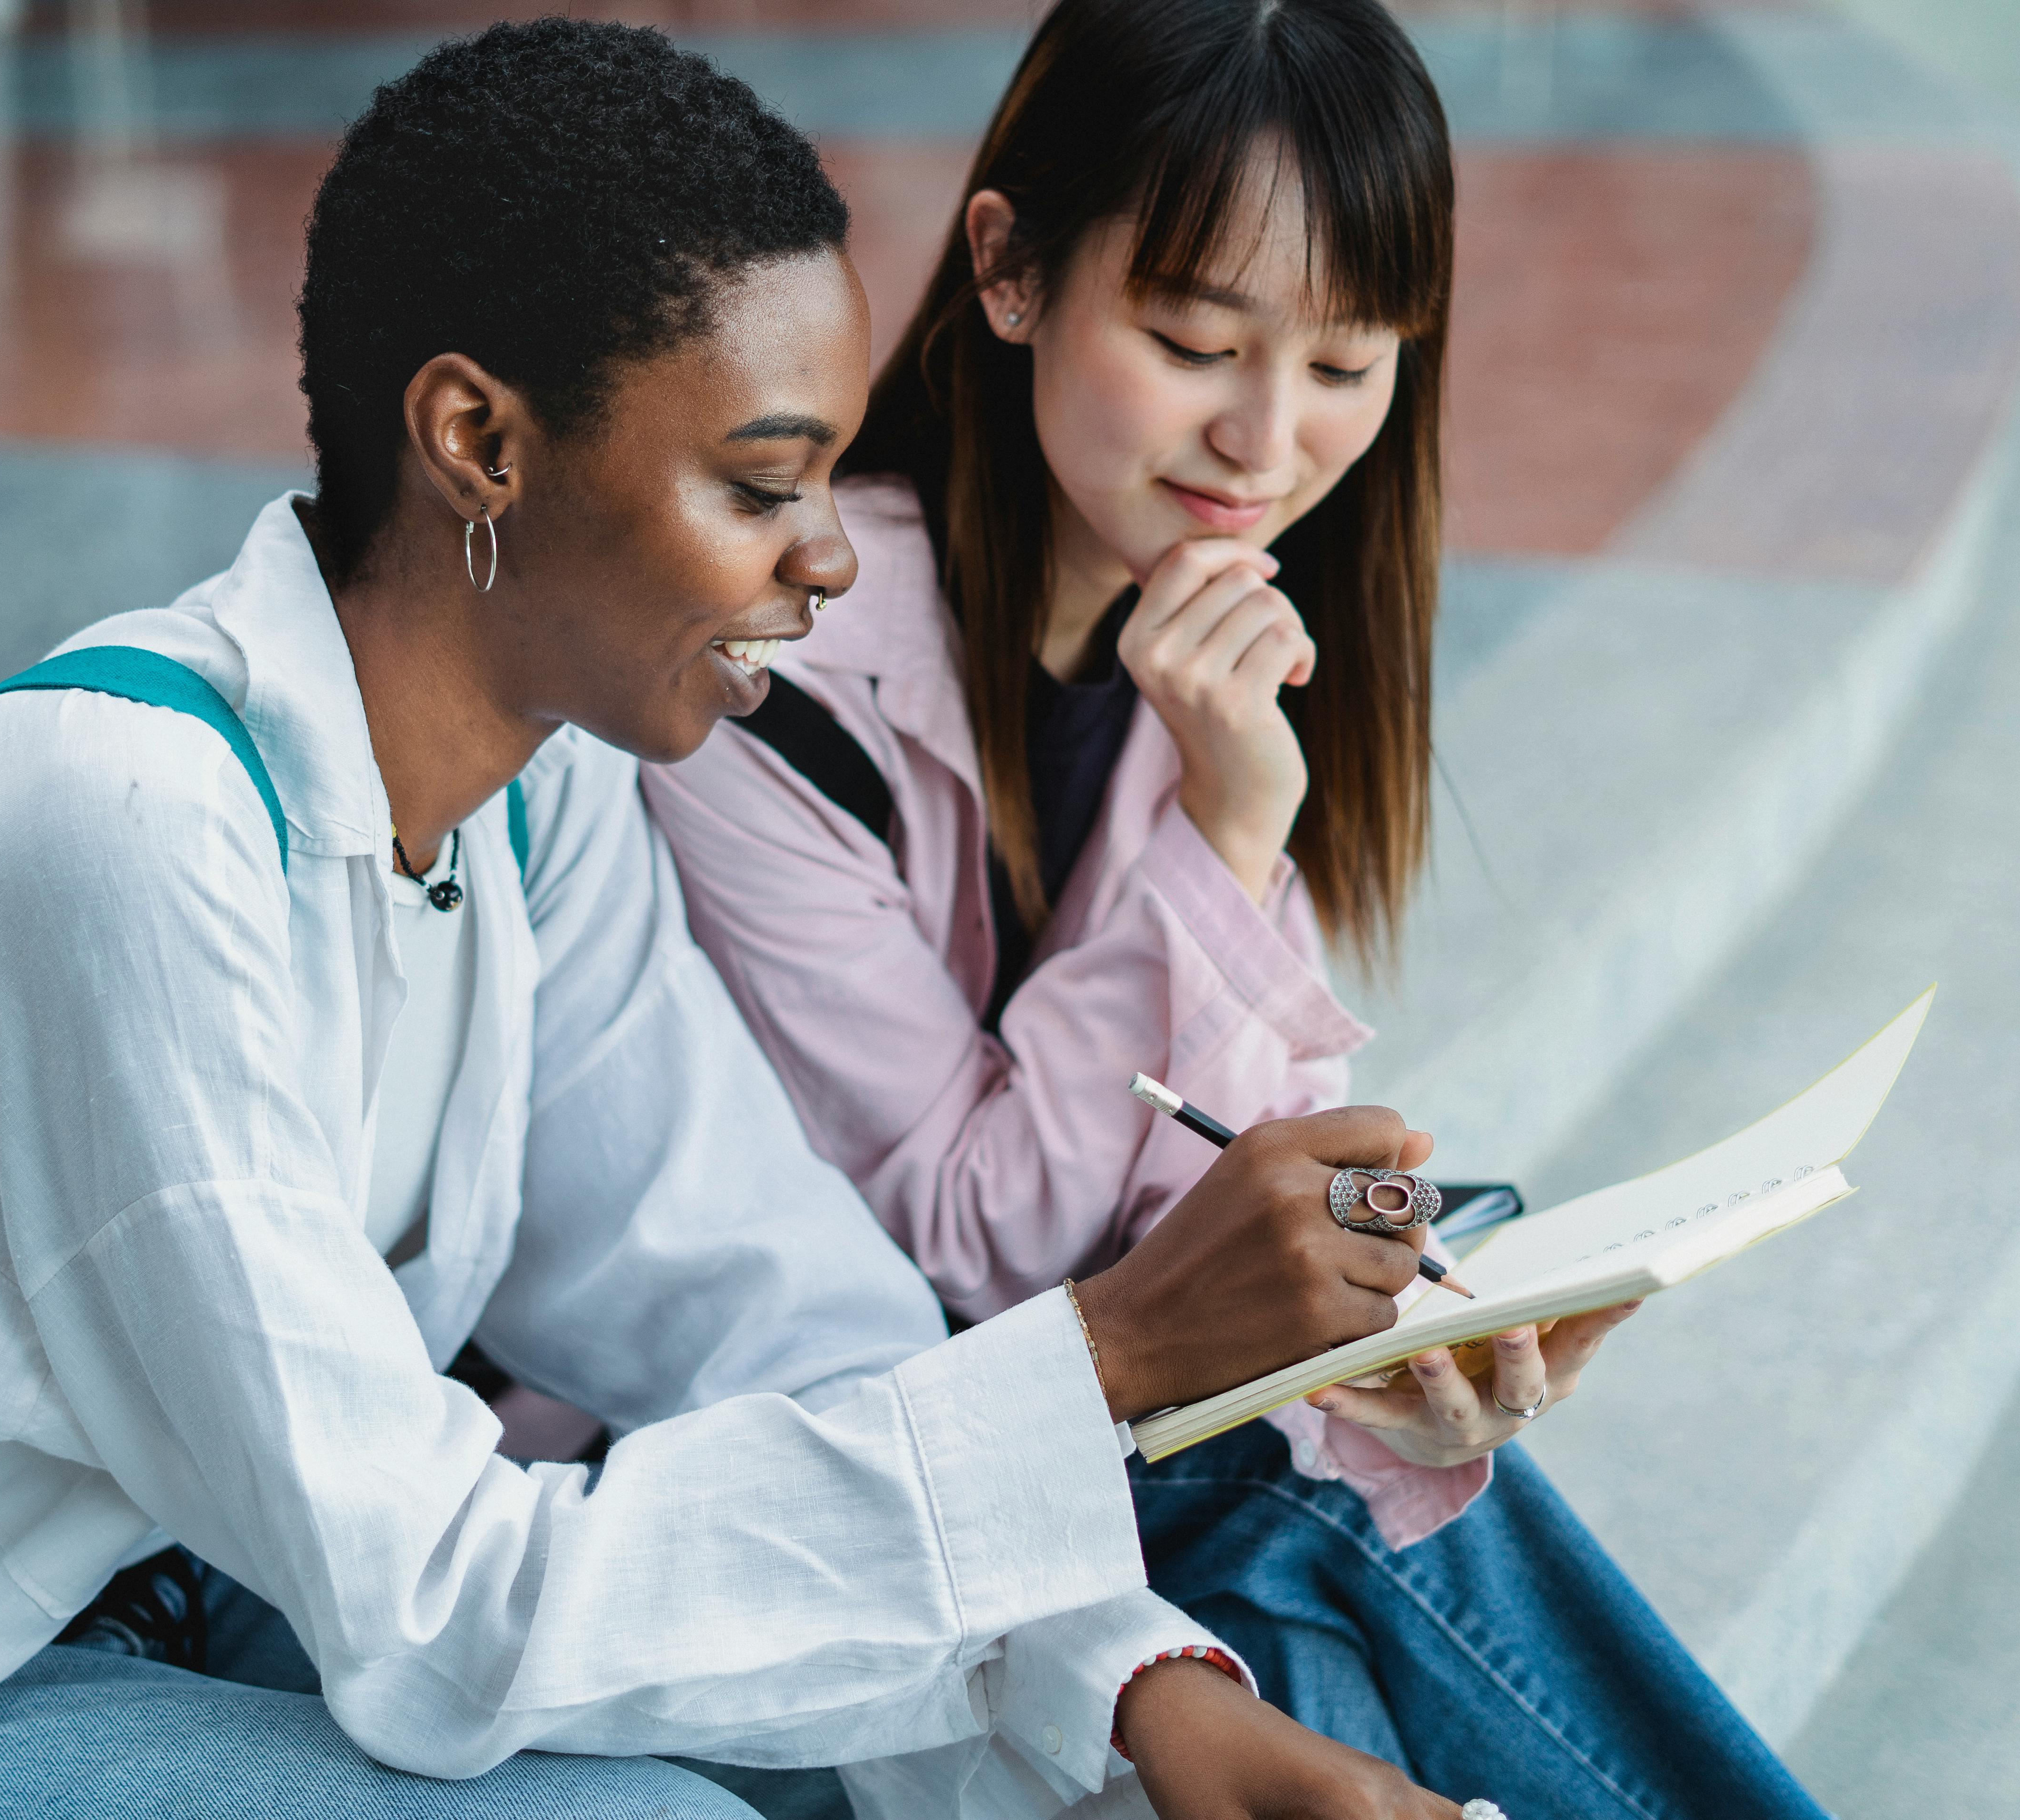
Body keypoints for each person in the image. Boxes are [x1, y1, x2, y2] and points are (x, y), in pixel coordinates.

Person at [0, 22, 1488, 1820]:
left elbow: (764, 1312)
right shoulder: (120, 842)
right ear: (479, 443)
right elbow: (437, 1598)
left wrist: (1138, 1694)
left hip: (185, 1574)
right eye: (765, 482)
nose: (832, 556)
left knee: (1156, 1714)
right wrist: (1107, 1354)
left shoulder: (542, 803)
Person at [640, 2, 1834, 1815]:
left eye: (1350, 367)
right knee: (1290, 1538)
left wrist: (1418, 1320)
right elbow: (976, 1237)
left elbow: (1230, 1163)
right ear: (1013, 270)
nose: (1265, 442)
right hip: (791, 1463)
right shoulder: (764, 677)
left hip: (1092, 1435)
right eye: (1196, 340)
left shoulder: (1206, 632)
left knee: (1319, 1576)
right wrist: (1221, 832)